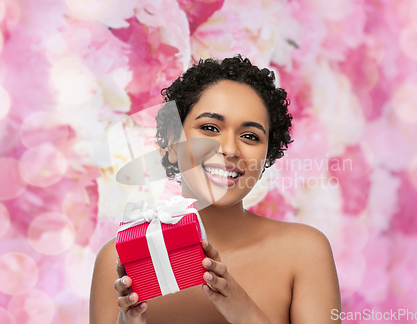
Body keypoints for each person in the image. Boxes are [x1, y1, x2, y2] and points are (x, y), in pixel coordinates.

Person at [90, 55, 341, 323]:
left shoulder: (304, 252)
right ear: (173, 145)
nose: (230, 149)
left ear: (267, 156)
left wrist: (244, 311)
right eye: (210, 128)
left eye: (250, 136)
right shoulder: (118, 261)